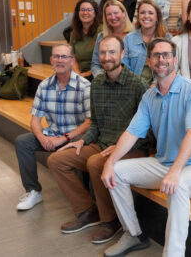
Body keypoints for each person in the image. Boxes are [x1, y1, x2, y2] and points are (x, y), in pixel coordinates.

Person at [101, 38, 191, 257]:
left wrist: (174, 173)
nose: (161, 60)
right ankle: (133, 233)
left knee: (178, 185)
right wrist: (109, 162)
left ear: (175, 59)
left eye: (166, 55)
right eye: (156, 55)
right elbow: (132, 133)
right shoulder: (149, 96)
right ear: (149, 60)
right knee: (115, 172)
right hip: (164, 164)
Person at [46, 36, 149, 244]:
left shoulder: (138, 84)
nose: (107, 57)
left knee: (95, 163)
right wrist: (83, 140)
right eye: (103, 53)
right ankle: (87, 211)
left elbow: (148, 130)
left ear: (122, 54)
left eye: (112, 52)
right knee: (57, 160)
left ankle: (110, 220)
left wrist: (119, 148)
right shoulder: (97, 84)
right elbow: (94, 123)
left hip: (132, 147)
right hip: (101, 143)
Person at [14, 44, 91, 211]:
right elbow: (35, 121)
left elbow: (89, 123)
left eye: (64, 57)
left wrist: (62, 139)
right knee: (22, 142)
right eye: (56, 56)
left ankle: (84, 199)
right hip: (52, 135)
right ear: (51, 60)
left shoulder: (84, 86)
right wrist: (43, 138)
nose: (60, 60)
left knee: (76, 148)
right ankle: (33, 191)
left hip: (75, 137)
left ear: (72, 60)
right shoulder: (44, 86)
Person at [123, 0, 170, 82]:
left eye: (150, 13)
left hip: (160, 86)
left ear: (157, 17)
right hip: (133, 86)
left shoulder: (167, 38)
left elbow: (170, 68)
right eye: (142, 13)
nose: (146, 16)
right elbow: (123, 66)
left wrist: (155, 85)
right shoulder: (128, 39)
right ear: (138, 17)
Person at [91, 0, 133, 78]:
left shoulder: (135, 35)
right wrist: (103, 80)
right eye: (109, 14)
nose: (113, 17)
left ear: (123, 13)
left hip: (131, 83)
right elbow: (95, 64)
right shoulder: (101, 36)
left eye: (116, 13)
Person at [70, 0, 102, 79]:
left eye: (89, 10)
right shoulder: (75, 33)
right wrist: (77, 73)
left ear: (95, 13)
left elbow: (104, 60)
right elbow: (72, 56)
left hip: (97, 74)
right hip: (79, 73)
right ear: (78, 13)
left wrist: (85, 75)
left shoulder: (101, 31)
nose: (85, 13)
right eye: (82, 10)